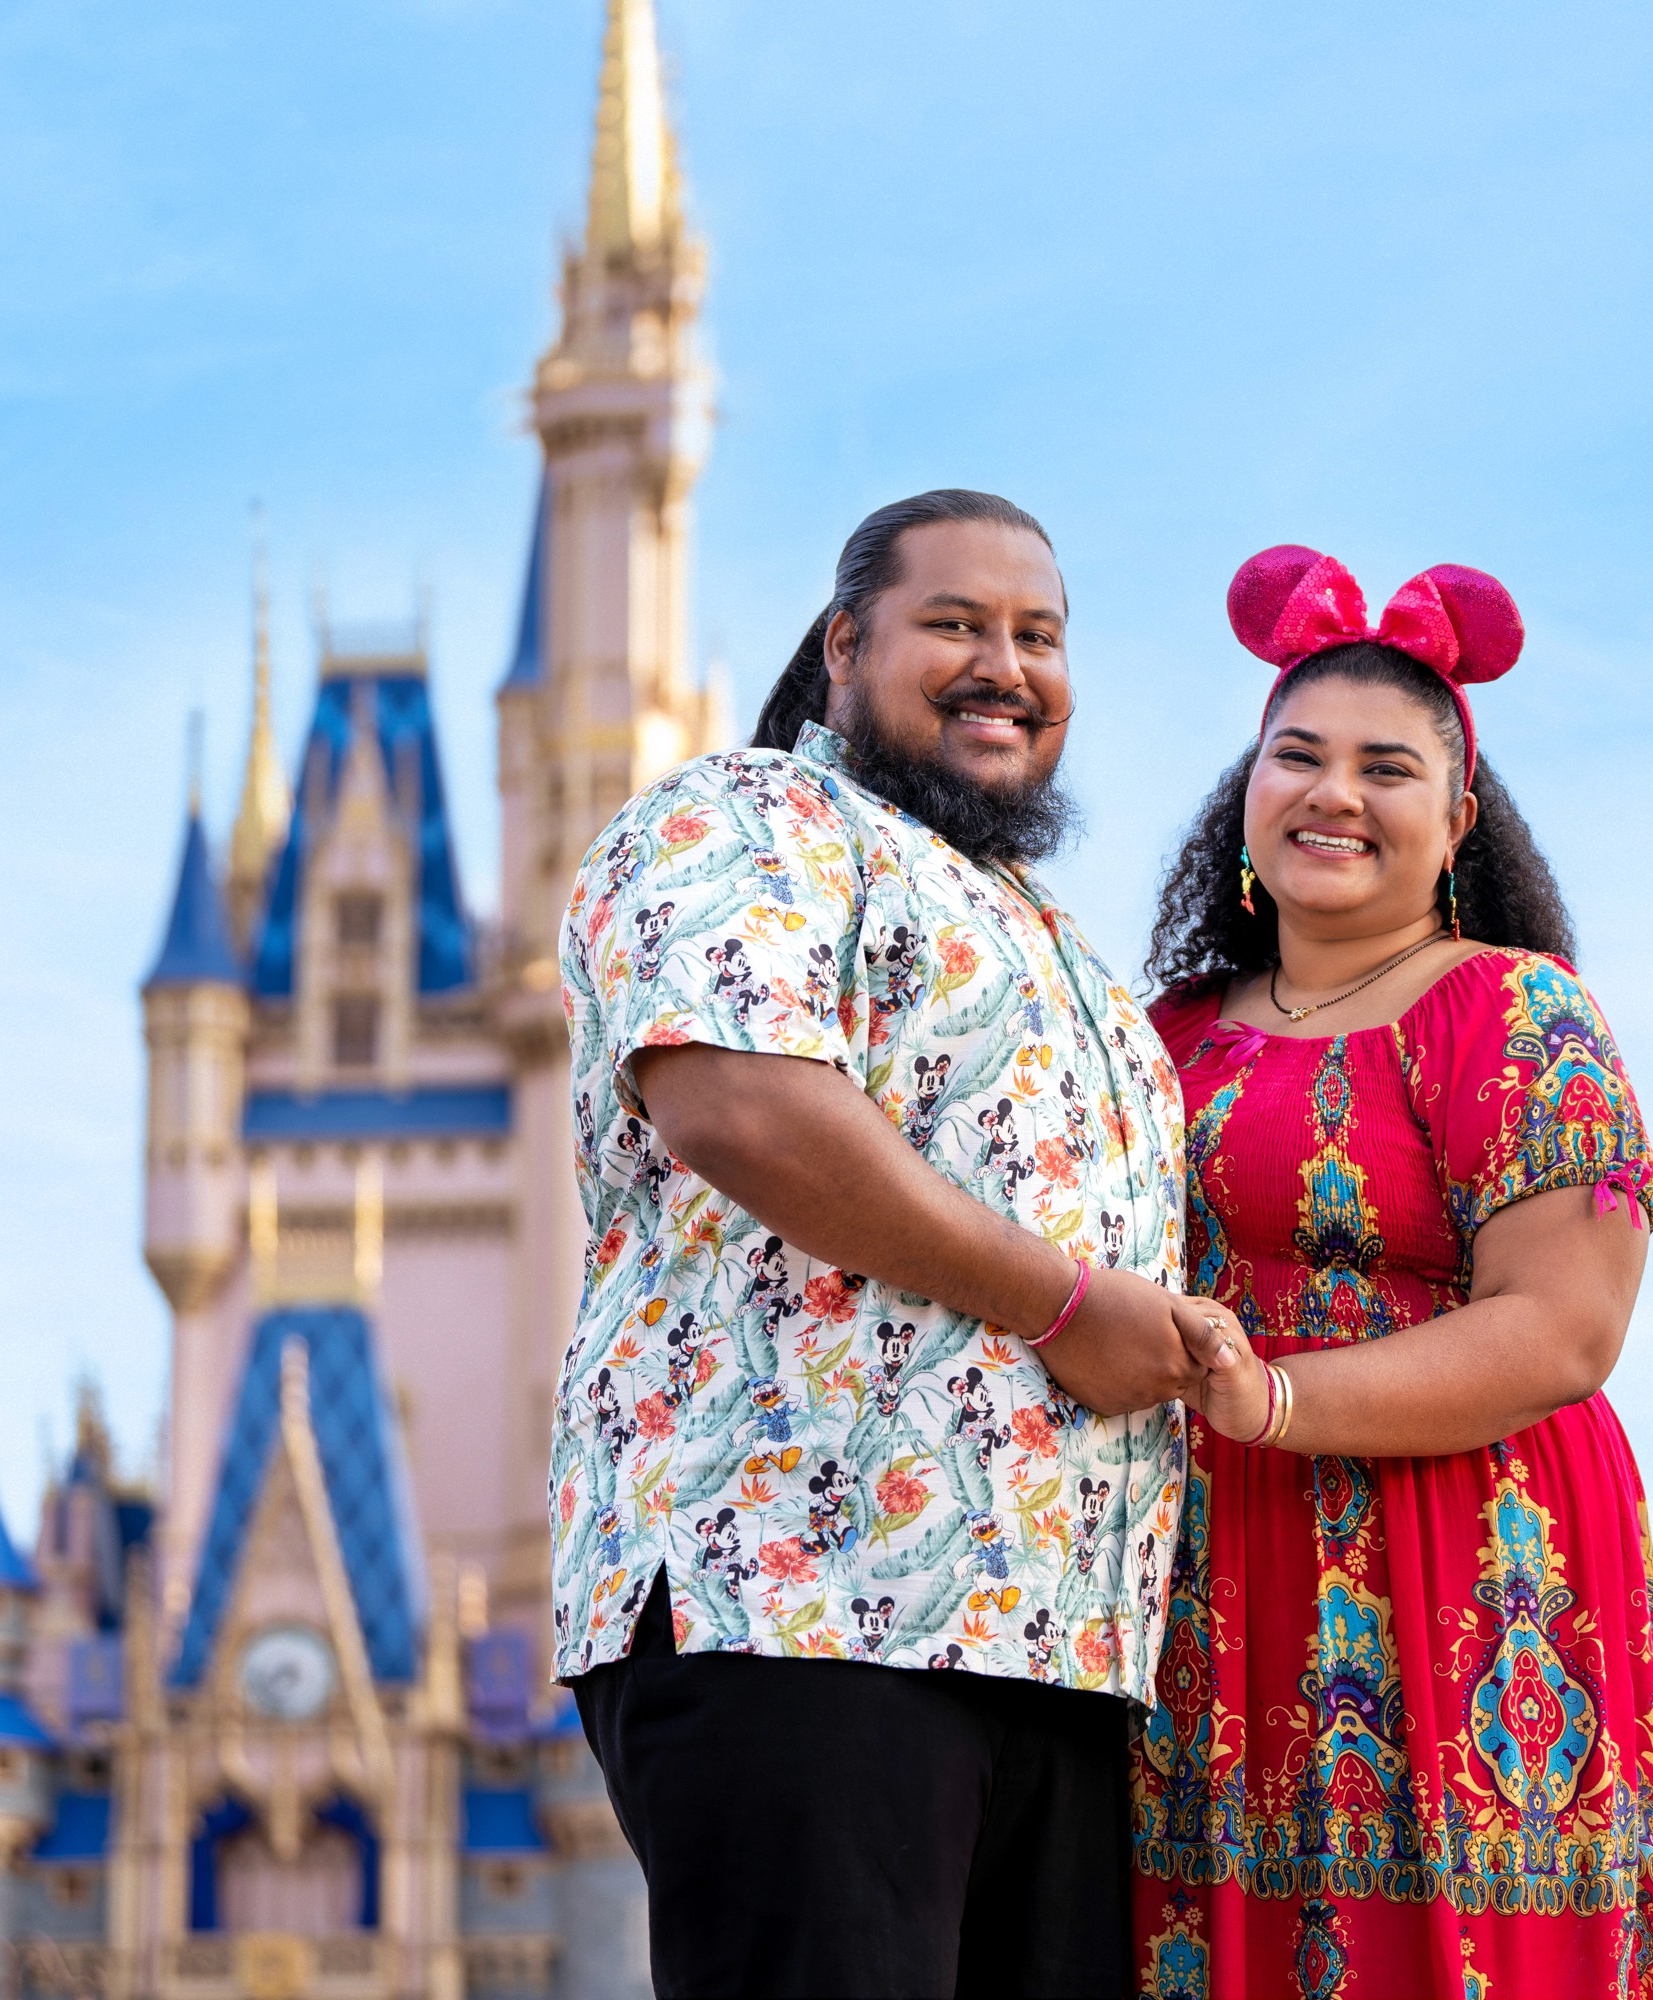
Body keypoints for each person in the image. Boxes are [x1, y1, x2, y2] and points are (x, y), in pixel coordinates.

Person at [552, 489, 1241, 1999]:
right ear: (847, 645)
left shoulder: (1060, 943)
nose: (1007, 663)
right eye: (957, 624)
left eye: (1039, 636)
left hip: (1060, 1655)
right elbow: (741, 1102)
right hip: (806, 1608)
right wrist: (1066, 1304)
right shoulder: (745, 818)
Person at [1128, 546, 1653, 2000]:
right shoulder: (1160, 1031)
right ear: (1243, 799)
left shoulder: (1513, 1012)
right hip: (1204, 1575)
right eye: (1296, 756)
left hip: (1466, 1564)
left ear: (1458, 820)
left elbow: (1566, 1328)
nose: (1334, 793)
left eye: (1387, 768)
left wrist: (1270, 1399)